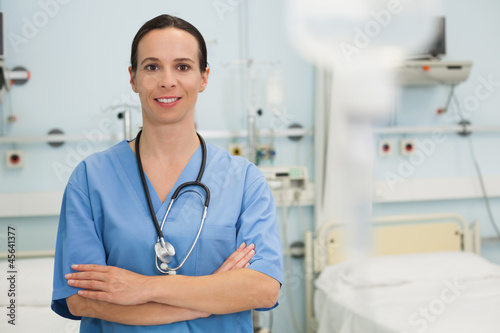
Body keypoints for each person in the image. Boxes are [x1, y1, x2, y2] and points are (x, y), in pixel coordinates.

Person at [51, 14, 283, 332]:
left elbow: (264, 288)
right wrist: (210, 298)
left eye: (183, 66)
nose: (167, 81)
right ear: (132, 78)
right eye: (152, 66)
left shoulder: (244, 181)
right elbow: (81, 299)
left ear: (204, 77)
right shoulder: (90, 179)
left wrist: (145, 288)